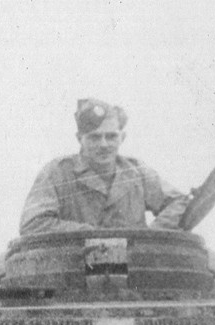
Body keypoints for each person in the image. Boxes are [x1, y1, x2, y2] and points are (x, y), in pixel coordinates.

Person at [19, 99, 190, 234]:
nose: (104, 144)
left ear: (122, 137)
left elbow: (178, 202)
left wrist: (149, 237)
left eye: (111, 136)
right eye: (94, 137)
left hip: (134, 271)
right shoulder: (56, 173)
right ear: (80, 139)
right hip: (73, 270)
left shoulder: (136, 171)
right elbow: (33, 223)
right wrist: (92, 235)